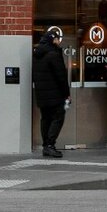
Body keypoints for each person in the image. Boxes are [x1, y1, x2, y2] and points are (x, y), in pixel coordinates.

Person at [32, 28, 69, 158]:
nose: (59, 41)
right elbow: (61, 76)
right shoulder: (53, 54)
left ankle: (46, 146)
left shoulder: (37, 54)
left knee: (46, 118)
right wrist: (66, 93)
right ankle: (50, 145)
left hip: (42, 94)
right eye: (57, 39)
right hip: (55, 94)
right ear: (53, 40)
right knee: (59, 116)